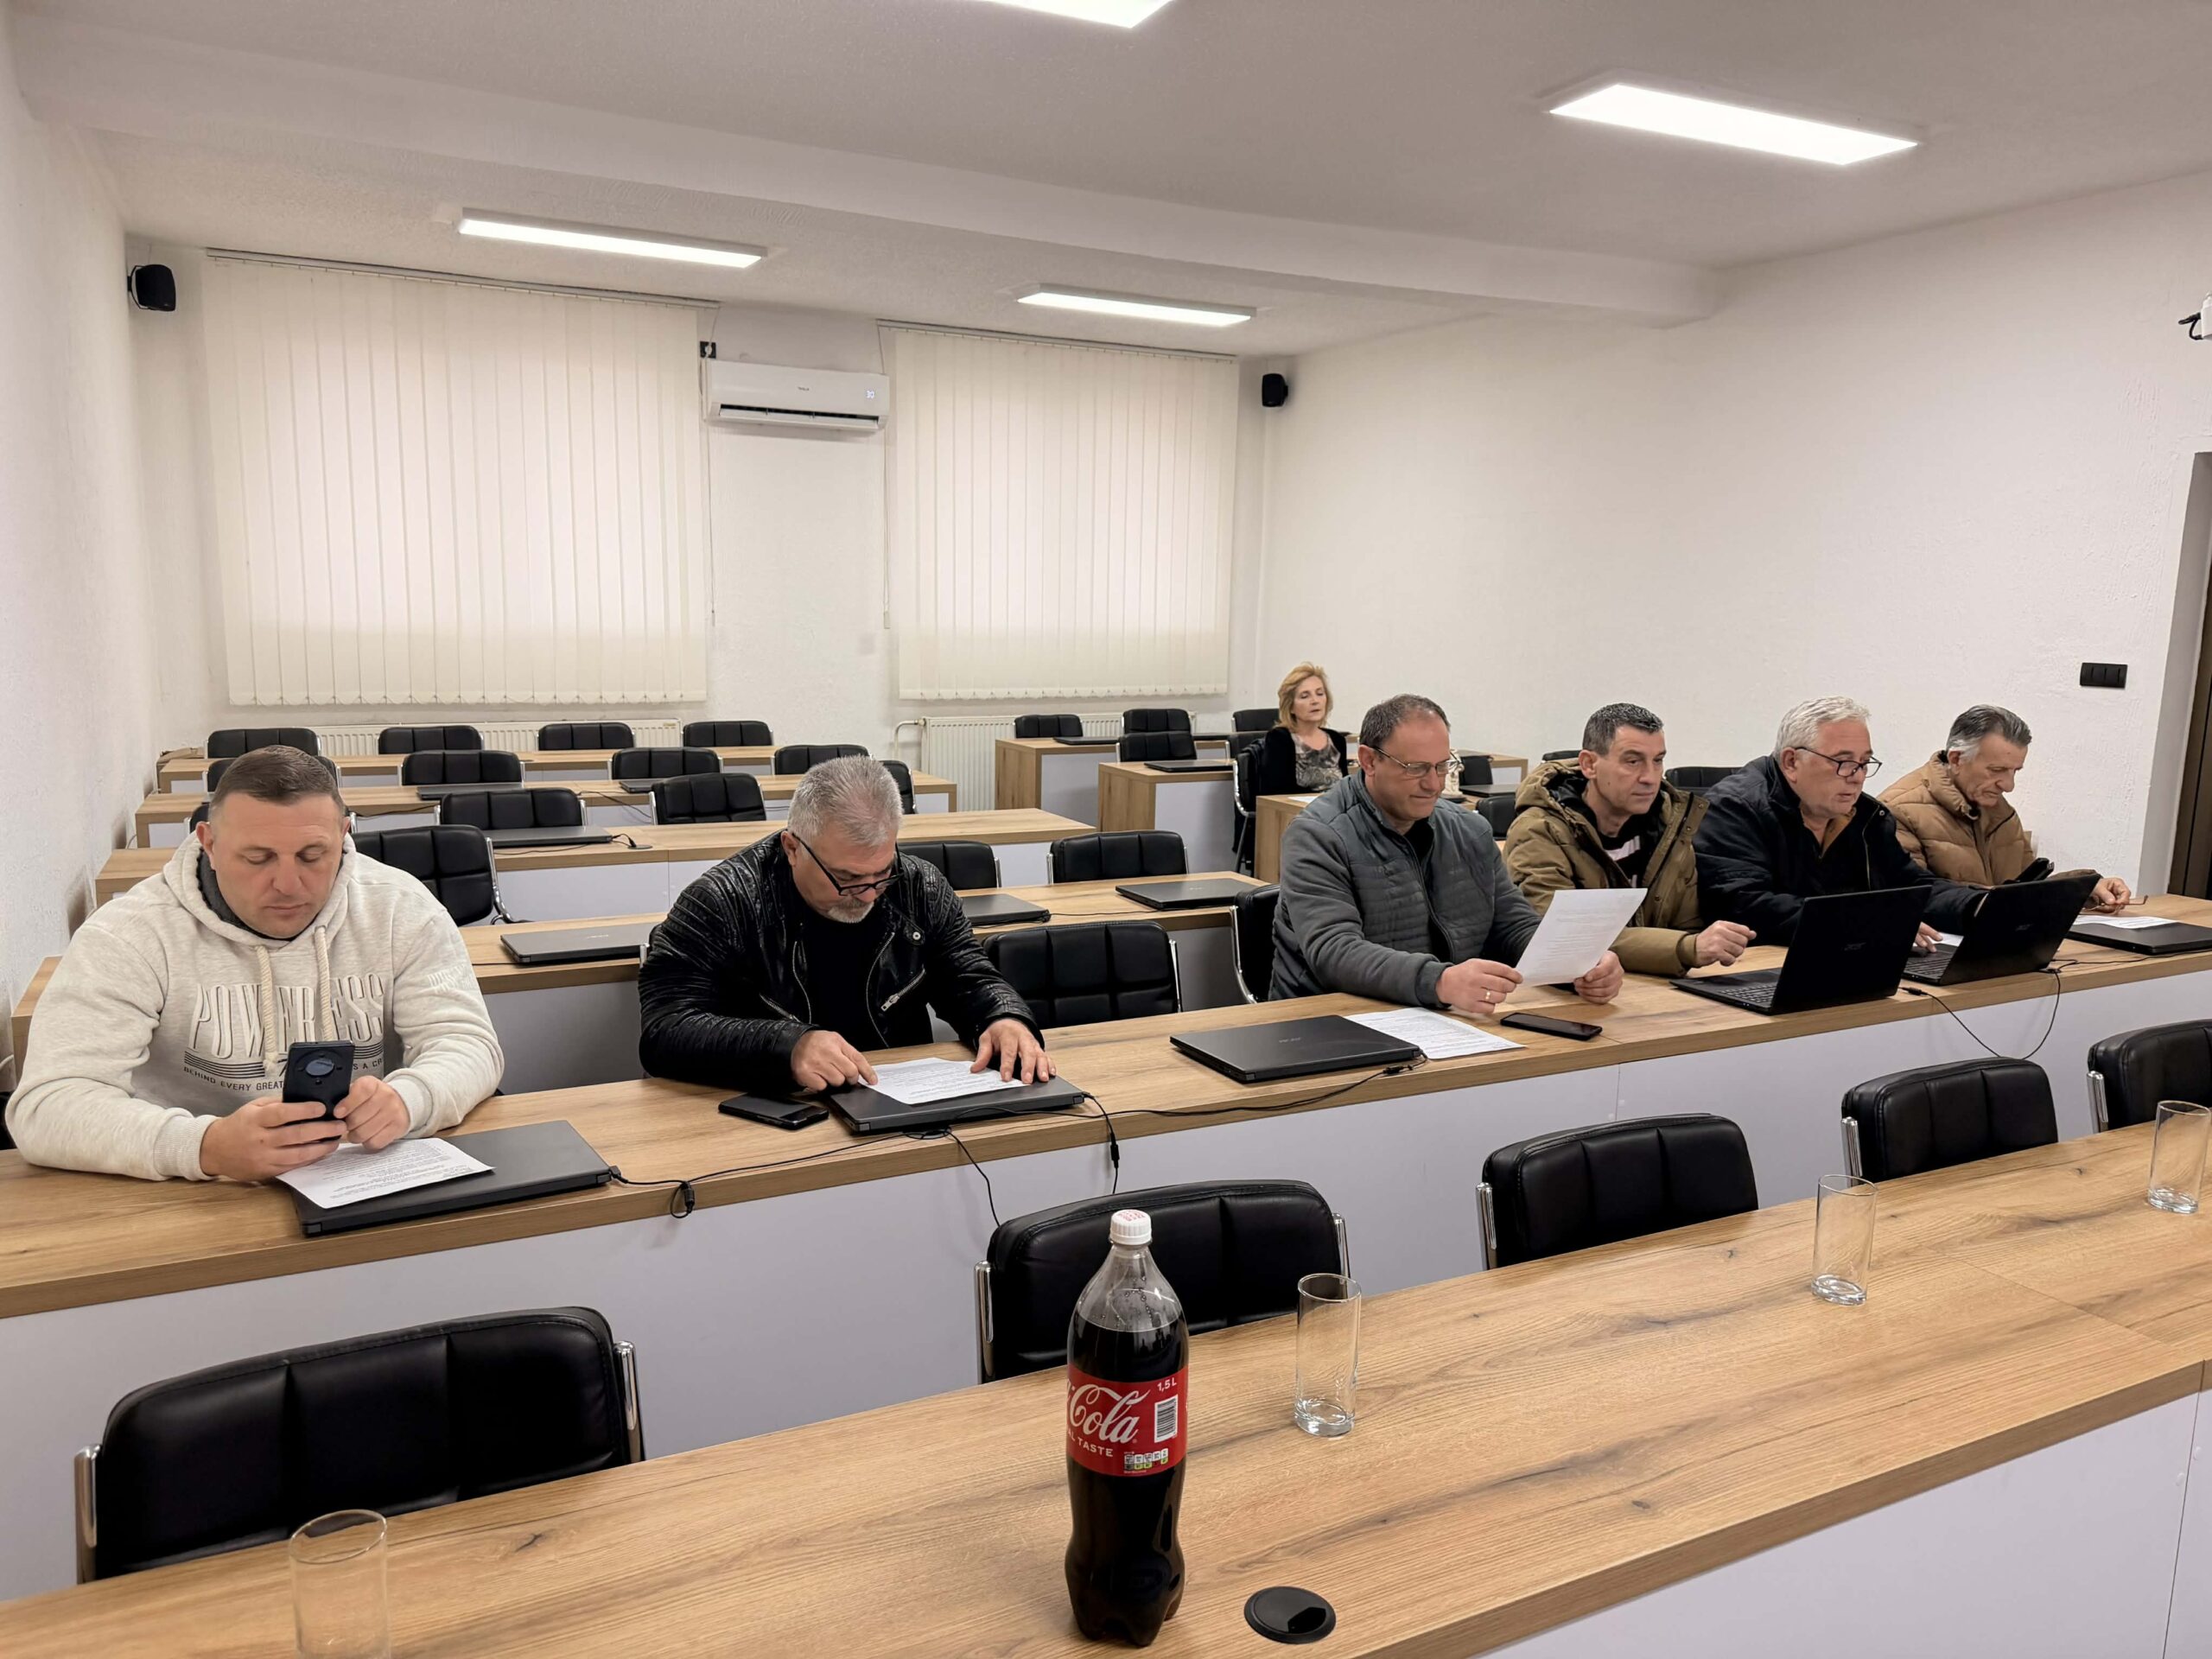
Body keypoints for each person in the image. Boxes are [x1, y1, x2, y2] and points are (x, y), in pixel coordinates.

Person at [7, 747, 503, 1182]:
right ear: (209, 844)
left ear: (344, 834)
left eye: (313, 855)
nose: (288, 884)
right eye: (258, 858)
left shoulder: (400, 908)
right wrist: (206, 1146)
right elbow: (48, 1106)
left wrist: (410, 1100)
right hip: (195, 1192)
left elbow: (468, 1043)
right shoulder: (130, 934)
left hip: (363, 1175)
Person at [639, 755, 1051, 1095]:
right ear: (792, 848)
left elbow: (969, 977)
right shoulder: (722, 901)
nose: (869, 895)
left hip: (896, 1096)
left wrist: (1002, 1017)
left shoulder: (919, 886)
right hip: (780, 1106)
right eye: (847, 879)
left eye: (882, 873)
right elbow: (665, 1030)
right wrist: (788, 1047)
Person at [1271, 693, 1623, 1017]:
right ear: (1369, 761)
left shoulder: (1469, 830)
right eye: (1415, 768)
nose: (1434, 784)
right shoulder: (1318, 835)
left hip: (1443, 1017)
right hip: (1327, 1021)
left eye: (1442, 766)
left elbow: (1512, 925)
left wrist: (1577, 964)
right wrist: (1439, 982)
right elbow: (1335, 952)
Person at [1694, 696, 1982, 946]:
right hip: (1756, 967)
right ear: (1791, 762)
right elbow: (1744, 906)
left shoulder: (1865, 817)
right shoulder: (1734, 808)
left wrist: (1977, 906)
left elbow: (1911, 887)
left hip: (1841, 956)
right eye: (1843, 762)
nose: (1857, 777)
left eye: (1864, 763)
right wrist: (1865, 922)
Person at [1505, 702, 1754, 975]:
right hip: (1571, 987)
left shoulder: (1670, 826)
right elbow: (1563, 938)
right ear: (1589, 764)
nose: (1650, 778)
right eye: (1632, 761)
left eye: (1657, 761)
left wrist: (1697, 944)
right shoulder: (1539, 831)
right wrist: (1684, 948)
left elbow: (1687, 925)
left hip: (1651, 983)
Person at [1882, 704, 2132, 911]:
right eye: (1997, 770)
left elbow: (2025, 888)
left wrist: (2084, 887)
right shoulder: (1898, 811)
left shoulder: (1998, 809)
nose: (2009, 785)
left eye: (2015, 771)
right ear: (1957, 759)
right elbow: (1917, 899)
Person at [1254, 662, 1350, 796]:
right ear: (1291, 707)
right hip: (1297, 809)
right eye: (1305, 696)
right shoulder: (1279, 739)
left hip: (1336, 808)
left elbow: (1345, 790)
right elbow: (1276, 792)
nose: (1315, 701)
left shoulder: (1337, 740)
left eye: (1320, 693)